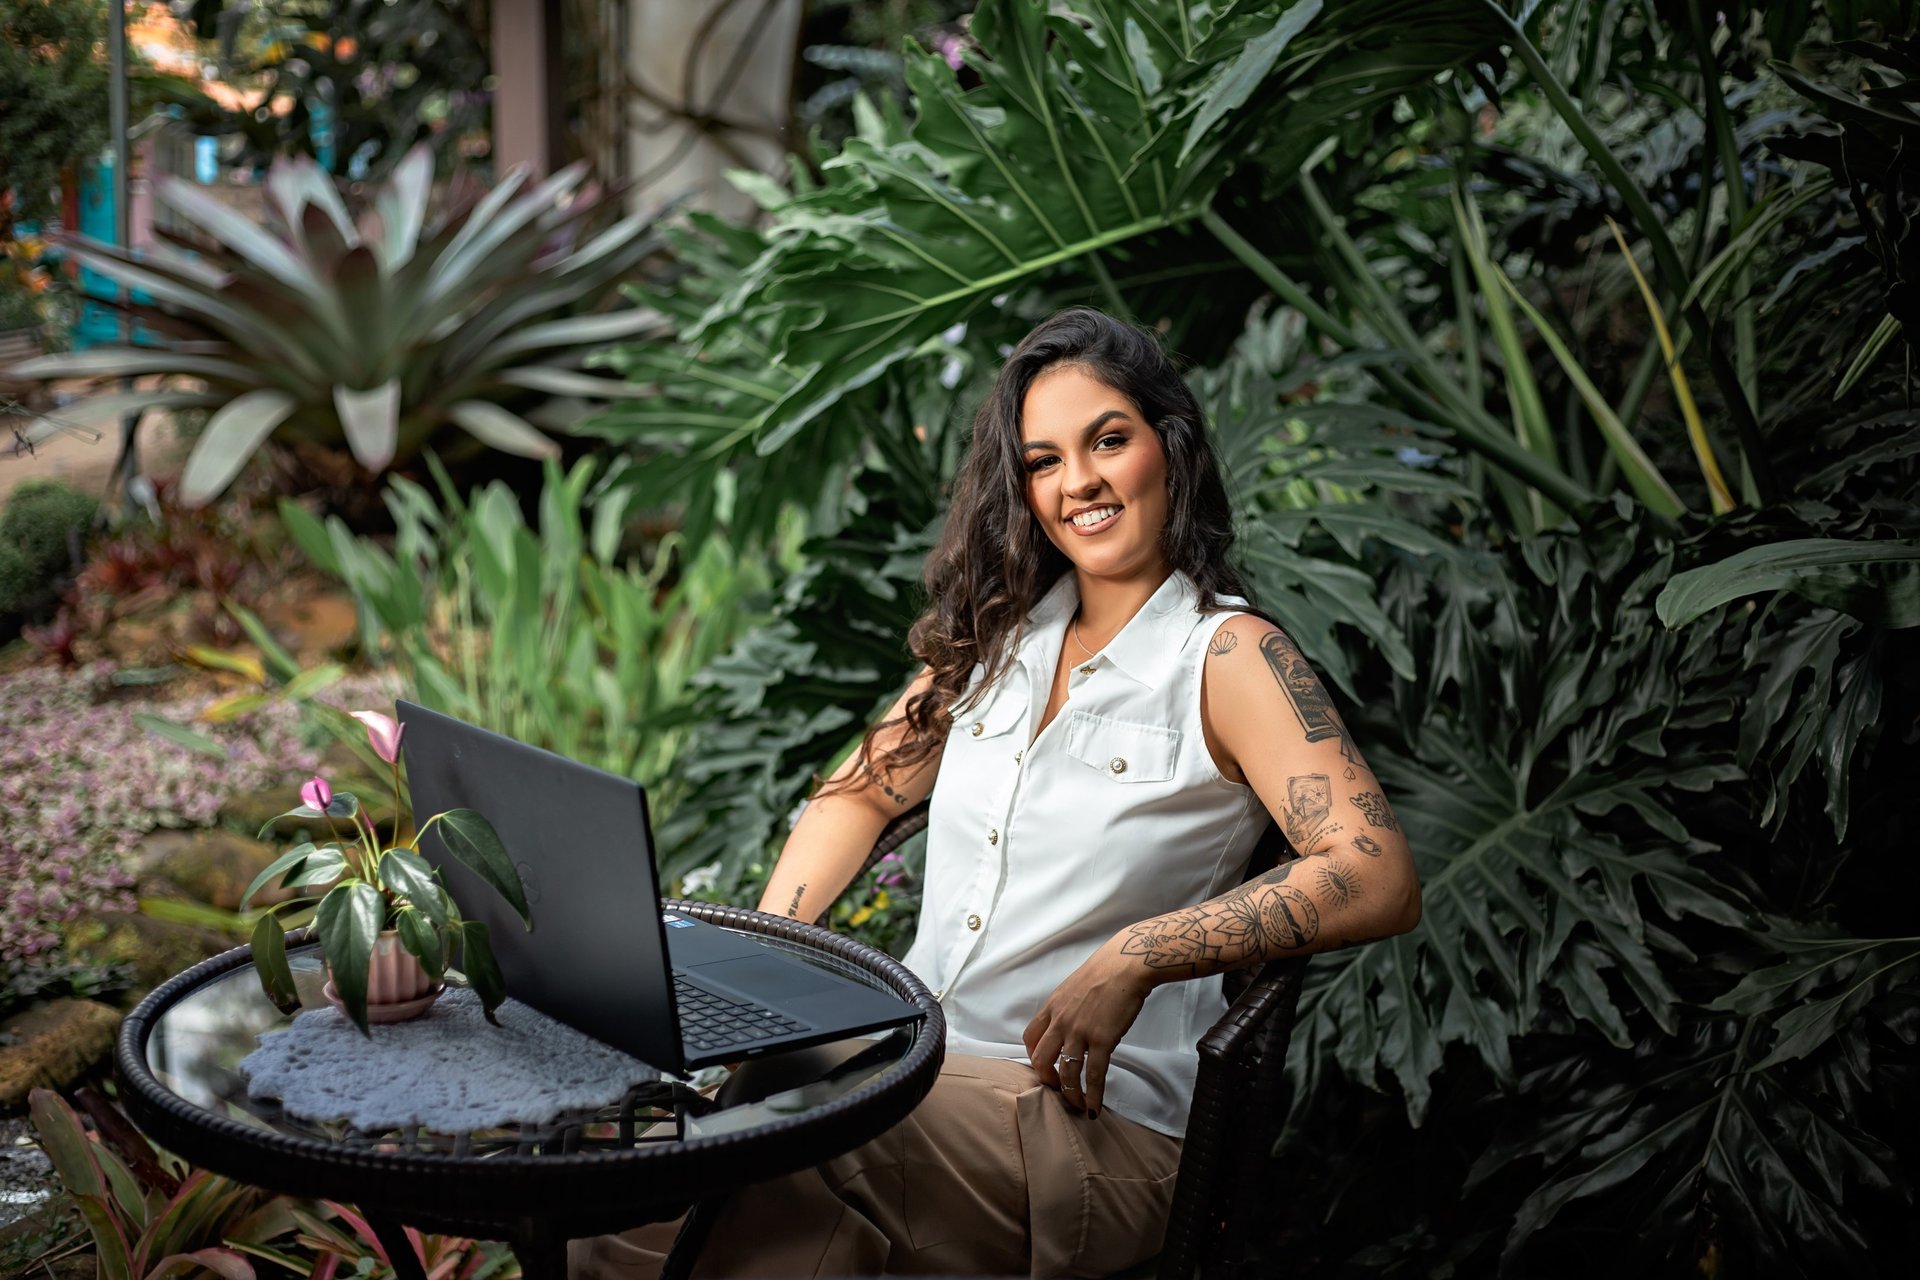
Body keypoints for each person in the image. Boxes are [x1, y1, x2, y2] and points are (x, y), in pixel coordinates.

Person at [572, 307, 1421, 1278]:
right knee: (633, 1197)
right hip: (916, 1079)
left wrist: (1138, 952)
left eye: (1109, 440)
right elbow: (857, 791)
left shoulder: (1228, 655)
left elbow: (1375, 869)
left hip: (1095, 1124)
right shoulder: (998, 642)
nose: (1080, 482)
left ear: (1170, 449)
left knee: (798, 1143)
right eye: (1044, 460)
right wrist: (773, 965)